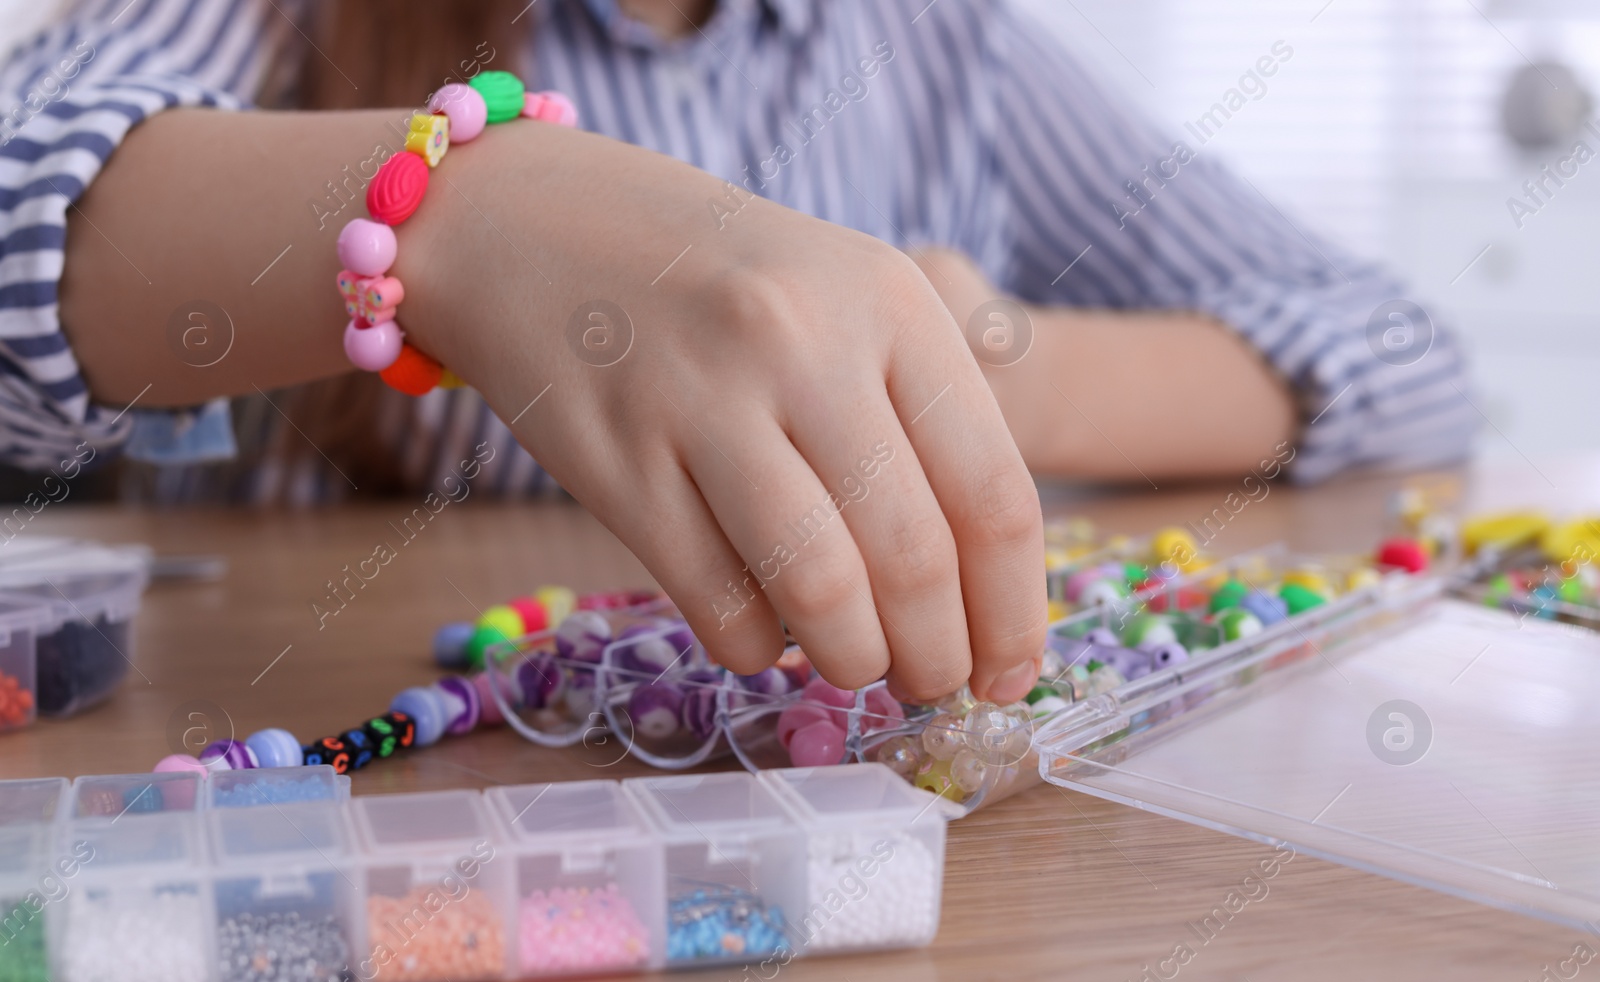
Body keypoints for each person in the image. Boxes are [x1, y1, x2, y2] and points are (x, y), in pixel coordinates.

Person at [0, 0, 1473, 706]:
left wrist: (1011, 369)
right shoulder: (280, 17)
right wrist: (464, 204)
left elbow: (1408, 354)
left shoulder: (951, 53)